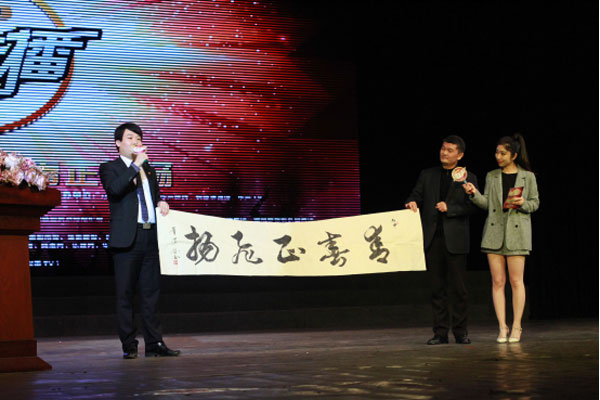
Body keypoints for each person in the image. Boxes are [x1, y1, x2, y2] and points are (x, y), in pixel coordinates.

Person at [99, 122, 181, 359]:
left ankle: (154, 344)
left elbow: (153, 198)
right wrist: (135, 165)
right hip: (127, 238)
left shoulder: (149, 170)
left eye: (138, 139)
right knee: (125, 294)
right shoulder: (110, 168)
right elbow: (115, 190)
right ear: (118, 143)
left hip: (149, 236)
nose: (136, 142)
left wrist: (161, 203)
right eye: (130, 138)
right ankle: (129, 345)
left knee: (150, 294)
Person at [462, 134, 539, 343]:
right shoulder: (492, 176)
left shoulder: (528, 177)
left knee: (516, 281)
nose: (498, 156)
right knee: (497, 281)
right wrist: (473, 193)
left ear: (514, 155)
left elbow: (535, 203)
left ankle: (517, 326)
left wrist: (523, 203)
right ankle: (502, 327)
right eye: (497, 152)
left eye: (503, 153)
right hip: (494, 233)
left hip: (517, 234)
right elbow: (487, 204)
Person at [405, 135, 478, 345]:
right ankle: (440, 333)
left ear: (460, 155)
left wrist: (450, 208)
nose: (444, 153)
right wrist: (411, 202)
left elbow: (473, 206)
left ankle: (461, 332)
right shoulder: (427, 174)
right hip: (433, 238)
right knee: (437, 288)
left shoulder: (468, 177)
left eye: (449, 150)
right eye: (443, 148)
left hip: (456, 239)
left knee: (459, 289)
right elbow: (415, 195)